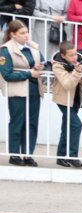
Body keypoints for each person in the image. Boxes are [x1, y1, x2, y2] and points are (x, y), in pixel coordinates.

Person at [0, 20, 45, 167]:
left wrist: (39, 67)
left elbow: (43, 62)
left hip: (34, 90)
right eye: (22, 33)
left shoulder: (33, 47)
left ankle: (28, 154)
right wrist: (29, 73)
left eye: (27, 32)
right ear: (12, 34)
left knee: (32, 123)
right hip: (18, 90)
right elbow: (7, 74)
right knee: (17, 122)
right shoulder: (5, 50)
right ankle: (14, 154)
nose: (26, 36)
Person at [51, 40, 82, 168]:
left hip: (75, 99)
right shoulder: (57, 66)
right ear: (63, 55)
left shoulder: (77, 64)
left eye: (75, 54)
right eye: (71, 55)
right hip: (63, 100)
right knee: (76, 125)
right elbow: (67, 84)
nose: (74, 57)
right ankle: (72, 156)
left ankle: (60, 156)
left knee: (67, 127)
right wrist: (77, 72)